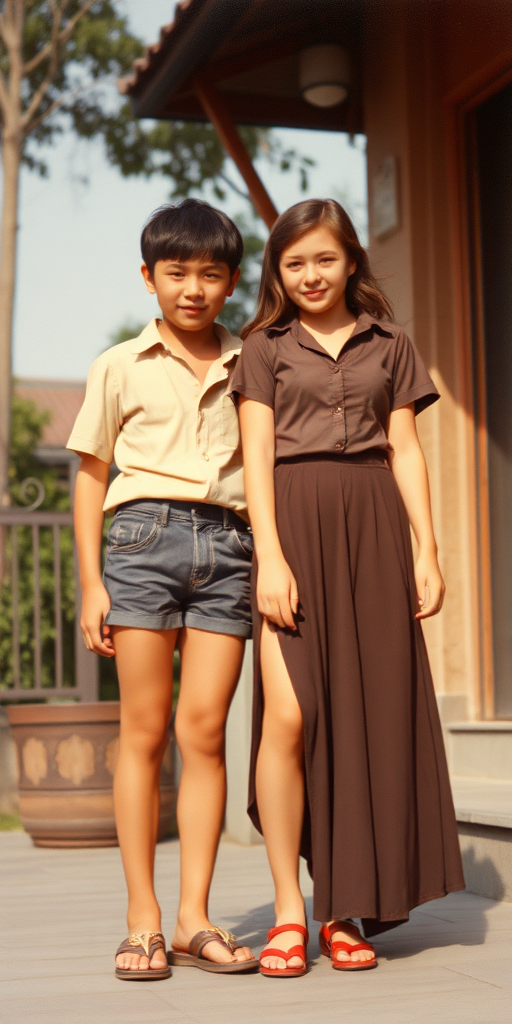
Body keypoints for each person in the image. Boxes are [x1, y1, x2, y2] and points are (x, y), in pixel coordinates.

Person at [230, 198, 465, 978]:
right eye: (293, 263)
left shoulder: (391, 344)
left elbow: (405, 448)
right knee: (291, 717)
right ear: (278, 272)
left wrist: (427, 551)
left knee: (364, 720)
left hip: (373, 529)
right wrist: (271, 556)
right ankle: (289, 912)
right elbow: (255, 458)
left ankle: (342, 909)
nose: (309, 275)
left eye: (323, 259)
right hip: (293, 526)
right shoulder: (262, 347)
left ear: (351, 259)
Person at [67, 199, 258, 979]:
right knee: (143, 730)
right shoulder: (118, 365)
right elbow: (90, 472)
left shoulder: (254, 363)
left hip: (231, 544)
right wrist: (90, 583)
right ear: (148, 278)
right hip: (140, 543)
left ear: (232, 282)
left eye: (210, 274)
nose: (193, 288)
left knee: (204, 733)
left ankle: (192, 918)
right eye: (176, 272)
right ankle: (141, 916)